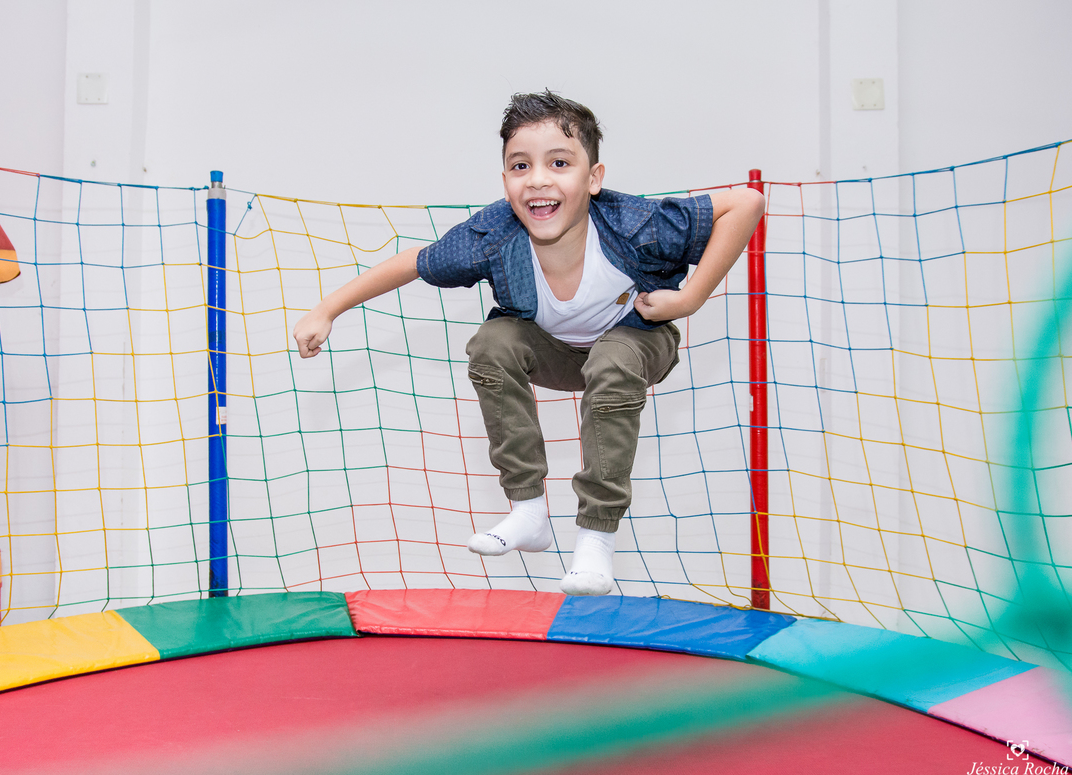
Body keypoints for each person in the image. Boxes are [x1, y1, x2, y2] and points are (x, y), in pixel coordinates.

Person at [293, 91, 764, 596]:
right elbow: (414, 262)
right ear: (505, 182)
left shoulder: (635, 225)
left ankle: (596, 539)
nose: (538, 179)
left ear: (594, 178)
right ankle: (529, 511)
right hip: (555, 354)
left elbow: (747, 203)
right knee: (492, 342)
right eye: (521, 166)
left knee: (612, 360)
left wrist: (690, 298)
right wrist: (328, 309)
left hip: (637, 343)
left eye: (559, 163)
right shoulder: (492, 236)